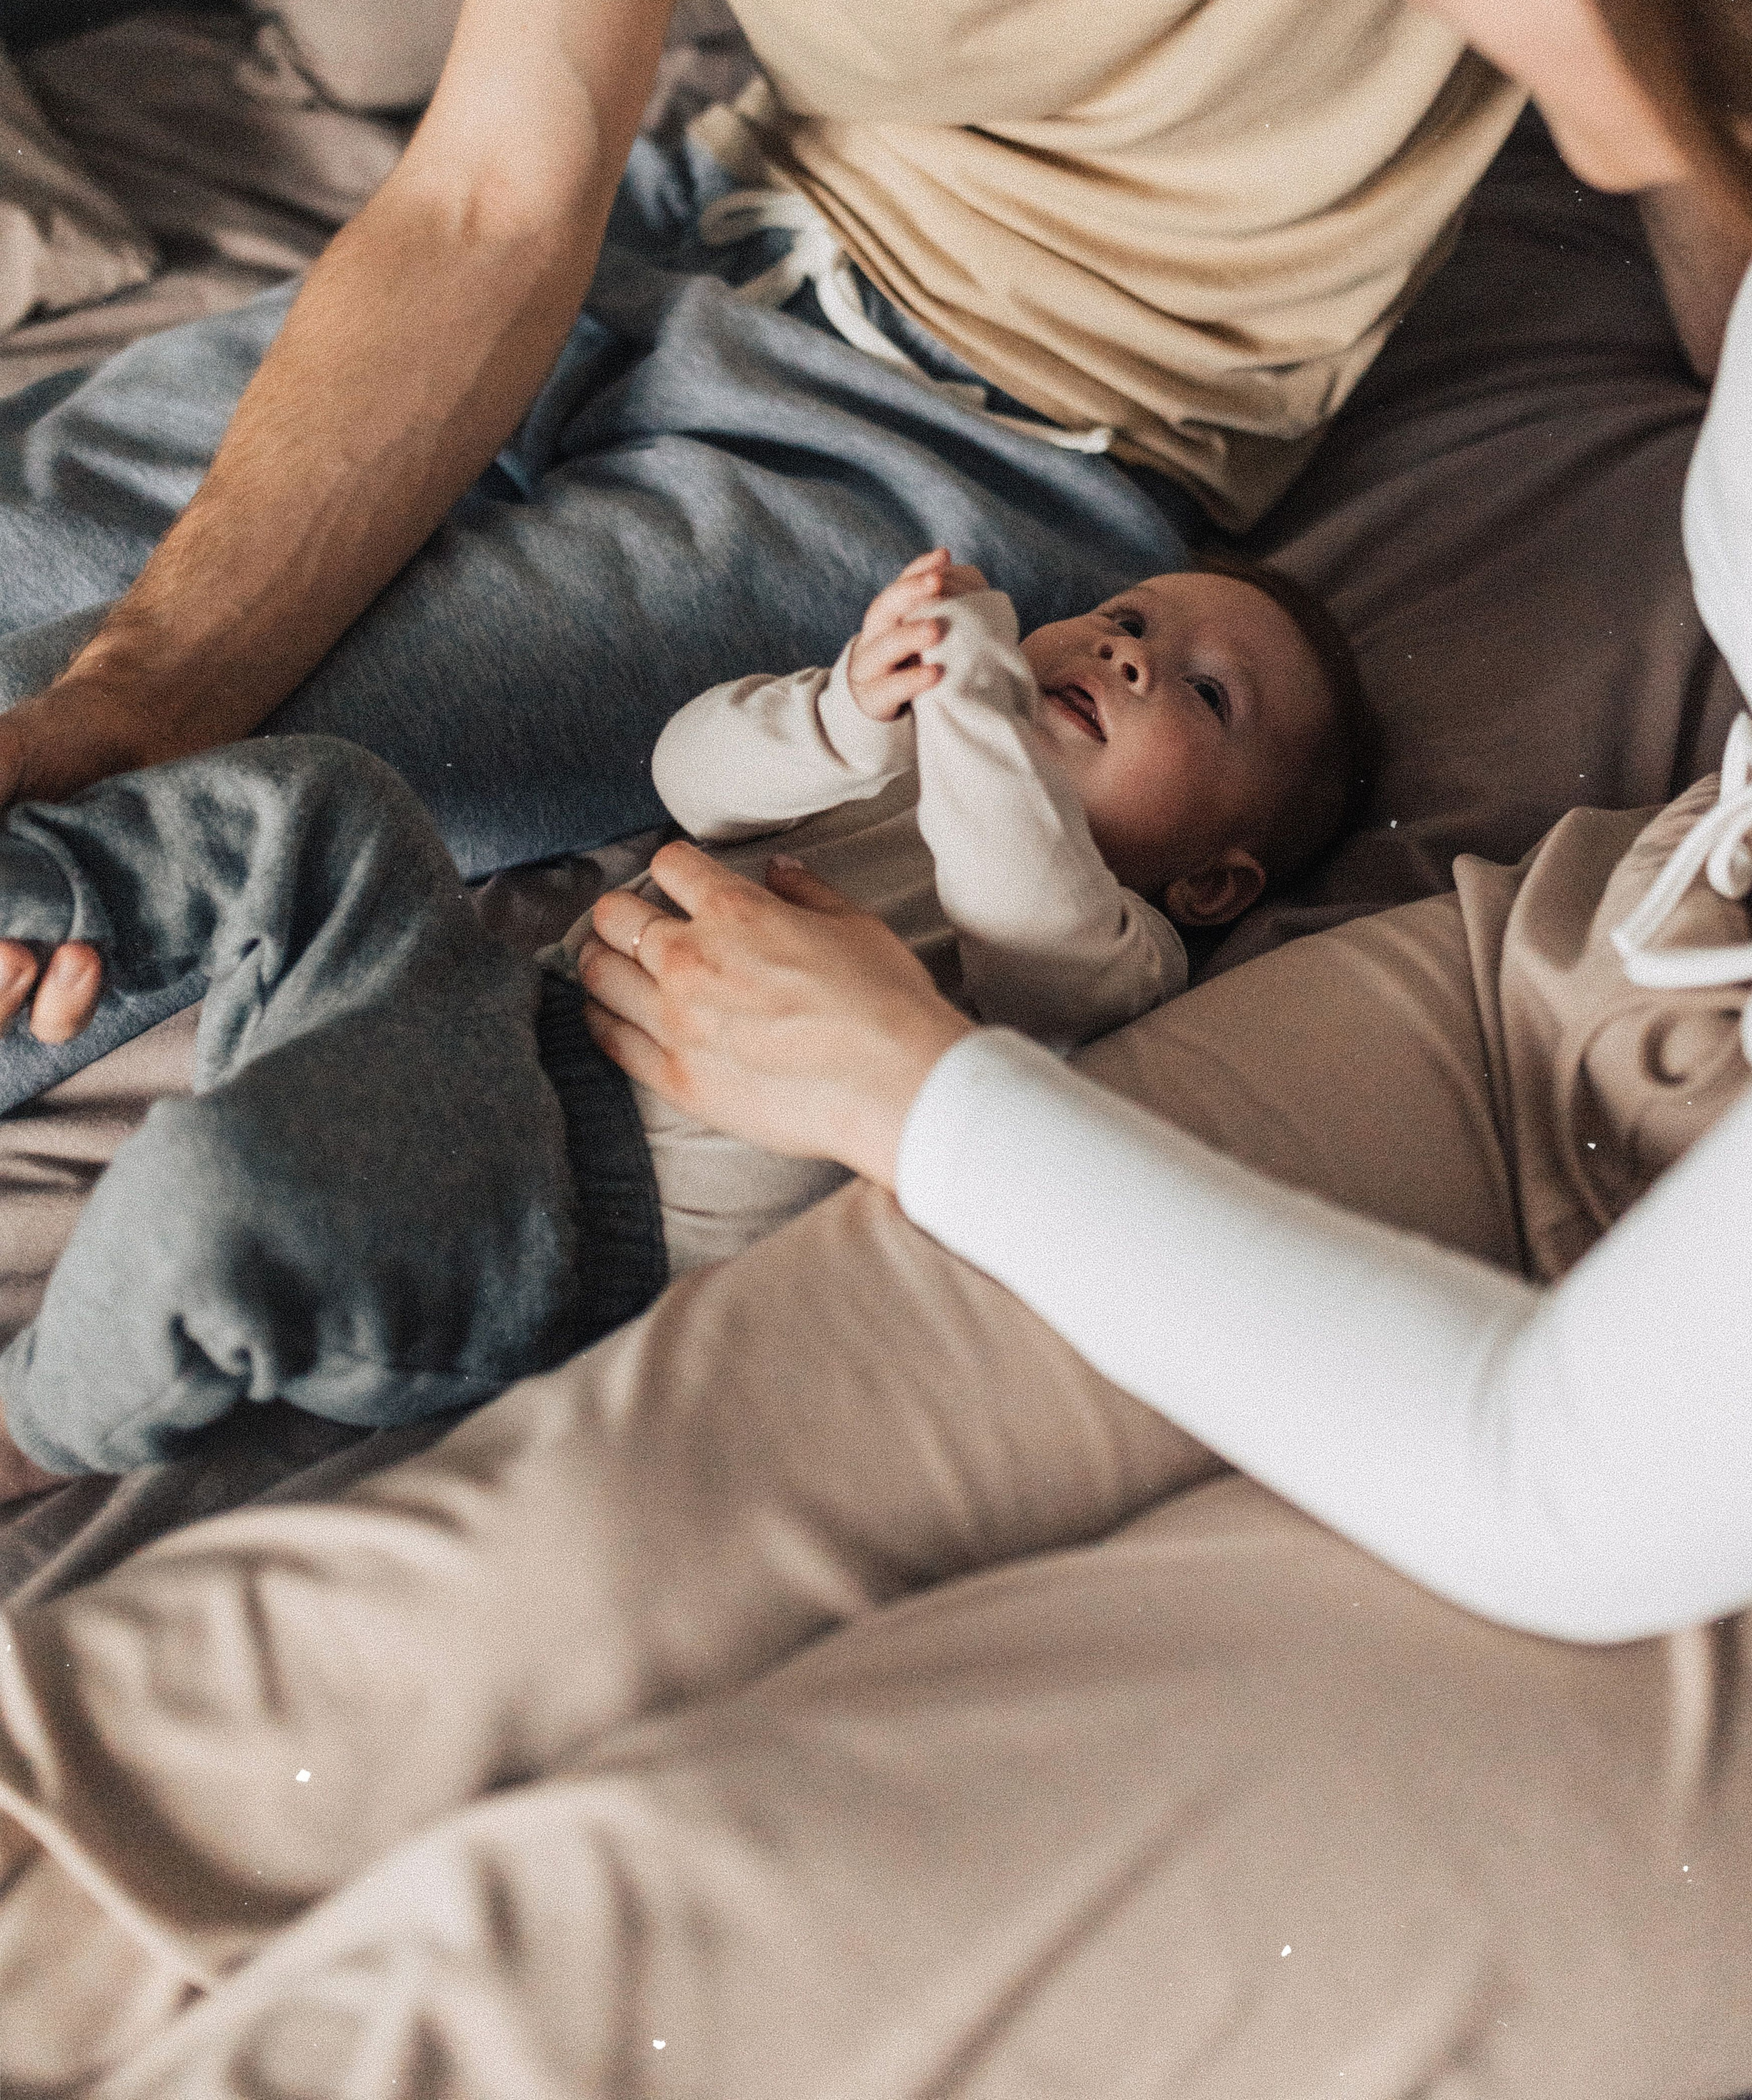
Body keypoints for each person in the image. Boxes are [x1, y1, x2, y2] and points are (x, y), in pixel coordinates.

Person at [2, 0, 1752, 2100]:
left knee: (615, 1925)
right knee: (408, 1608)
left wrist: (918, 1090)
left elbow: (1567, 1483)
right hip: (1599, 958)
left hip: (1709, 1401)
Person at [0, 0, 1528, 1105]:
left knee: (243, 791)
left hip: (1006, 429)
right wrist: (130, 684)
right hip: (679, 220)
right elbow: (496, 193)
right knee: (50, 565)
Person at [0, 547, 1363, 1489]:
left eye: (1205, 693)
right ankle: (31, 900)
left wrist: (977, 701)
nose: (1129, 655)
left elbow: (1017, 889)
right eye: (1129, 619)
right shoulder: (895, 759)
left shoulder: (1119, 950)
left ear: (1213, 882)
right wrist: (844, 711)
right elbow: (690, 771)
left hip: (545, 1206)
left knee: (216, 1192)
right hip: (479, 1007)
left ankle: (30, 1427)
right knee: (326, 797)